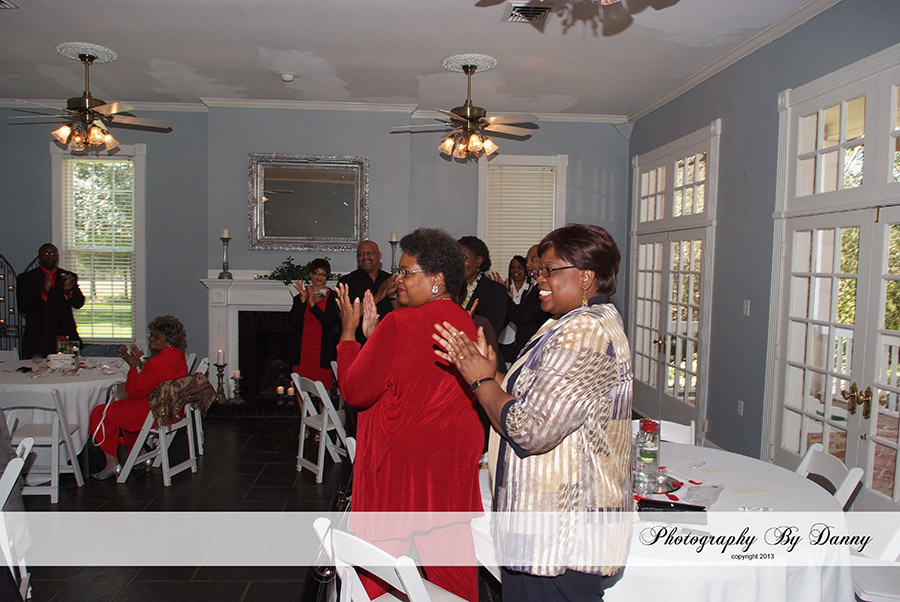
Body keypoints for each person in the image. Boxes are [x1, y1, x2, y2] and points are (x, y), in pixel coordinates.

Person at [434, 224, 633, 601]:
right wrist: (488, 371)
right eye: (539, 270)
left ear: (586, 276)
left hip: (560, 538)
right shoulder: (569, 322)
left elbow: (530, 429)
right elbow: (539, 399)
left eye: (549, 270)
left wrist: (481, 381)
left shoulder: (584, 331)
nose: (538, 278)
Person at [335, 228, 484, 602]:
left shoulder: (400, 323)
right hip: (449, 462)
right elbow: (415, 377)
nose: (397, 279)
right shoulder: (464, 321)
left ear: (437, 279)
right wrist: (376, 339)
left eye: (406, 272)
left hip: (401, 469)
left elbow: (355, 391)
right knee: (452, 569)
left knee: (376, 569)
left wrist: (349, 334)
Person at [88, 315, 189, 480]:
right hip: (172, 410)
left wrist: (133, 367)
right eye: (152, 334)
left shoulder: (157, 363)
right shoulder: (178, 355)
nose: (151, 339)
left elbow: (134, 391)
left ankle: (111, 463)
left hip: (154, 413)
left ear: (169, 340)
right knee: (122, 409)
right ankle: (140, 453)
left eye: (157, 337)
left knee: (100, 412)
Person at [16, 243, 85, 358]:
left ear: (58, 256)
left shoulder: (68, 276)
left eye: (53, 254)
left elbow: (79, 303)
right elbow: (23, 306)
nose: (50, 257)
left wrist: (68, 291)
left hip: (64, 336)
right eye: (46, 254)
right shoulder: (26, 278)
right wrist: (43, 292)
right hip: (38, 338)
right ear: (39, 257)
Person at [289, 258, 338, 391]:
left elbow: (328, 322)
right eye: (316, 273)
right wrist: (303, 301)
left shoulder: (332, 295)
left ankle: (324, 407)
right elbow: (294, 320)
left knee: (323, 389)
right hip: (302, 351)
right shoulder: (301, 292)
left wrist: (312, 305)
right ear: (311, 274)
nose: (319, 277)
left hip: (322, 352)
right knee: (301, 389)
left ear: (326, 277)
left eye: (323, 274)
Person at [337, 240, 397, 343]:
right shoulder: (347, 282)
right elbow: (345, 317)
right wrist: (377, 297)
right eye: (361, 254)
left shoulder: (389, 279)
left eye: (370, 253)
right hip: (359, 342)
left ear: (379, 255)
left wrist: (392, 295)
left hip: (389, 339)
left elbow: (401, 312)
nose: (365, 257)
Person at [506, 244, 552, 359]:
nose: (527, 264)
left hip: (534, 352)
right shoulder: (534, 286)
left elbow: (521, 318)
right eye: (527, 260)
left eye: (532, 259)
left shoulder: (544, 289)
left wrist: (506, 298)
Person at [458, 235, 508, 337]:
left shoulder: (496, 291)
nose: (458, 263)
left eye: (463, 257)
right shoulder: (449, 289)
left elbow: (491, 331)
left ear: (478, 261)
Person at [498, 254, 530, 363]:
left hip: (523, 338)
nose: (515, 270)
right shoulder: (503, 287)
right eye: (513, 267)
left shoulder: (531, 289)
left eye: (519, 267)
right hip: (504, 337)